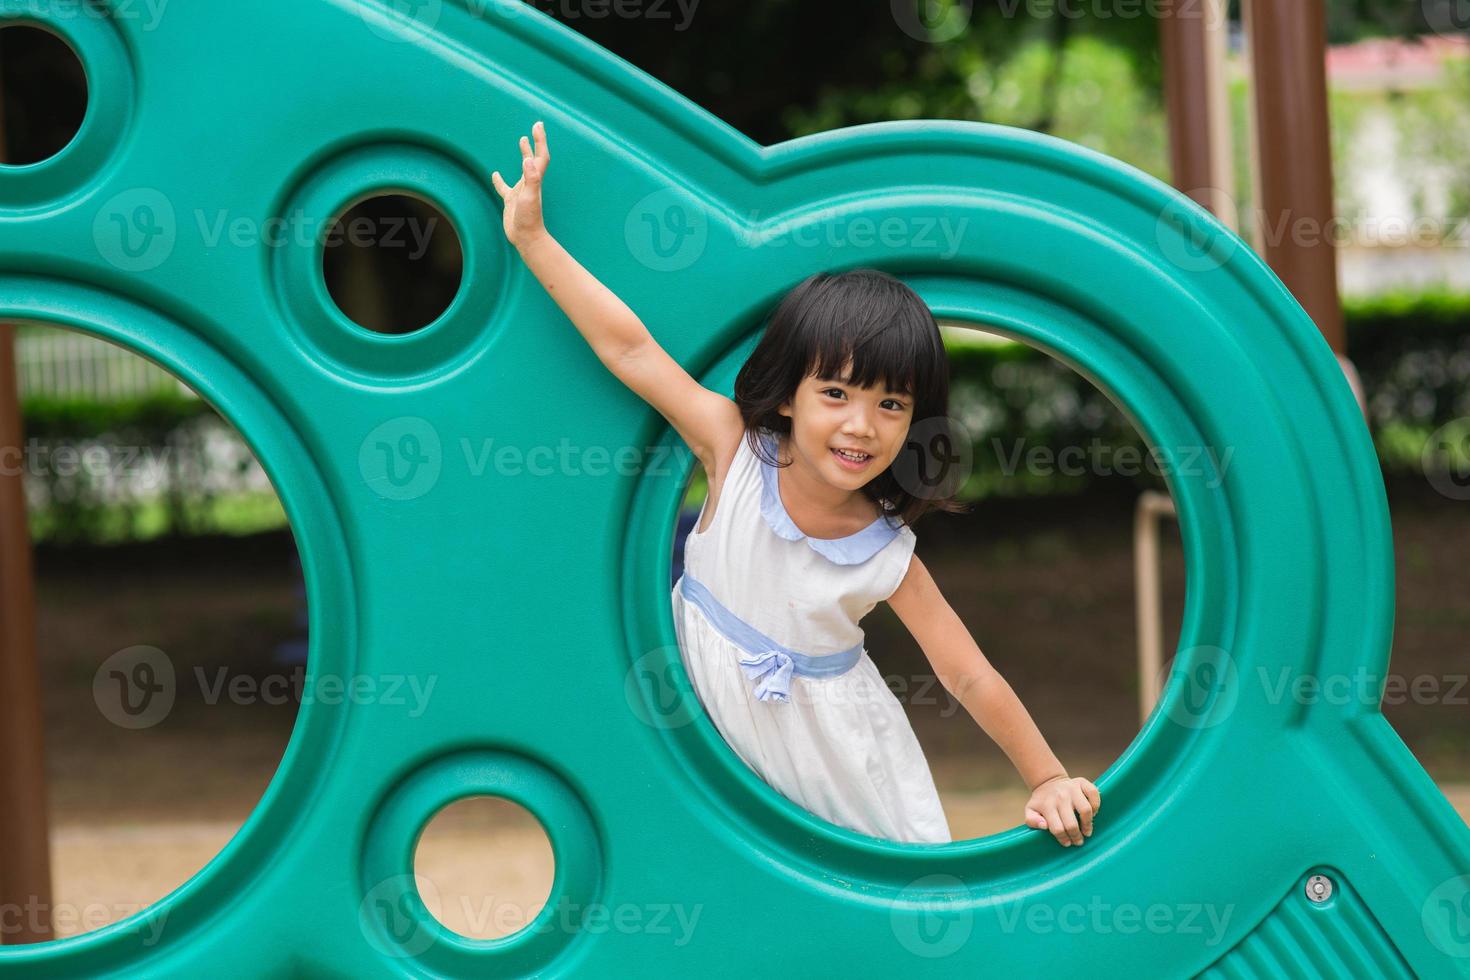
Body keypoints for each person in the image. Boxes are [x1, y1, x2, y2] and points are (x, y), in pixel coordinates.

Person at [493, 120, 1101, 847]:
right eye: (837, 394)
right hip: (710, 748)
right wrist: (533, 240)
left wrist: (1046, 777)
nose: (862, 426)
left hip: (841, 770)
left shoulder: (886, 553)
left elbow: (967, 675)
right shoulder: (733, 452)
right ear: (789, 396)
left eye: (892, 405)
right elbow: (629, 347)